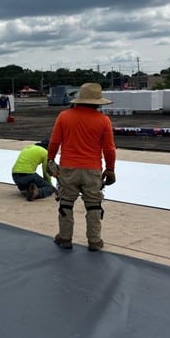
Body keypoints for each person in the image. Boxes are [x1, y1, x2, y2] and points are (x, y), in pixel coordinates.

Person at [47, 82, 116, 252]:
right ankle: (94, 241)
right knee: (93, 205)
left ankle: (65, 238)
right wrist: (110, 169)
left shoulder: (64, 116)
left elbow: (54, 141)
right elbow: (109, 148)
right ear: (98, 102)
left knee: (66, 204)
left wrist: (50, 160)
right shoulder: (103, 120)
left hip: (68, 168)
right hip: (92, 169)